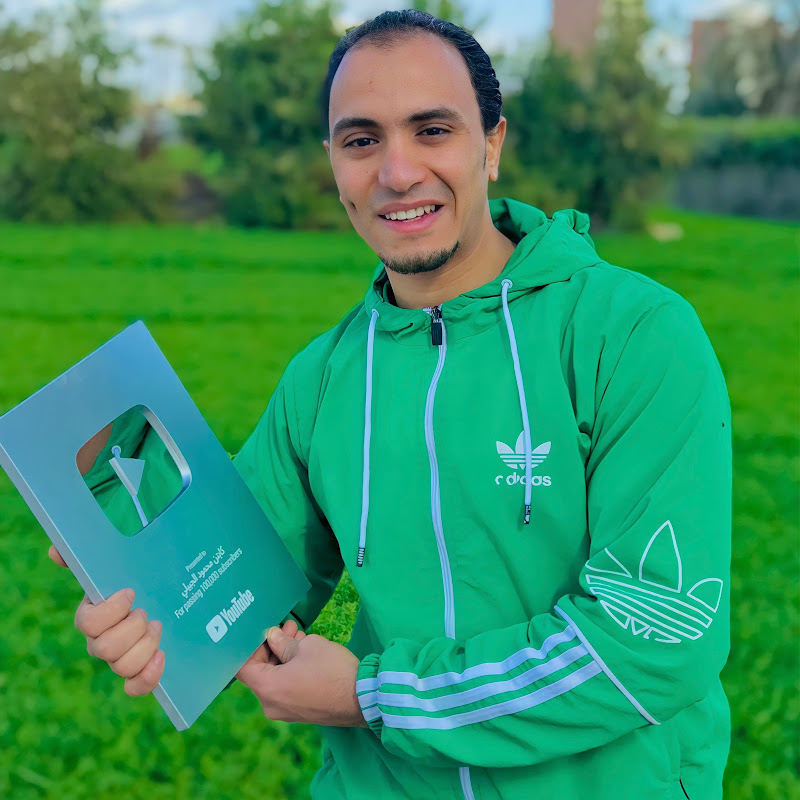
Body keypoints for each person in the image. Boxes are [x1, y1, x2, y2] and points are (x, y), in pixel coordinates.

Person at [52, 10, 732, 800]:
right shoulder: (322, 379)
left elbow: (653, 641)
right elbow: (235, 590)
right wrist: (144, 603)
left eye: (432, 130)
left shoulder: (633, 335)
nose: (397, 172)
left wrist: (373, 696)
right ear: (334, 162)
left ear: (491, 144)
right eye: (361, 140)